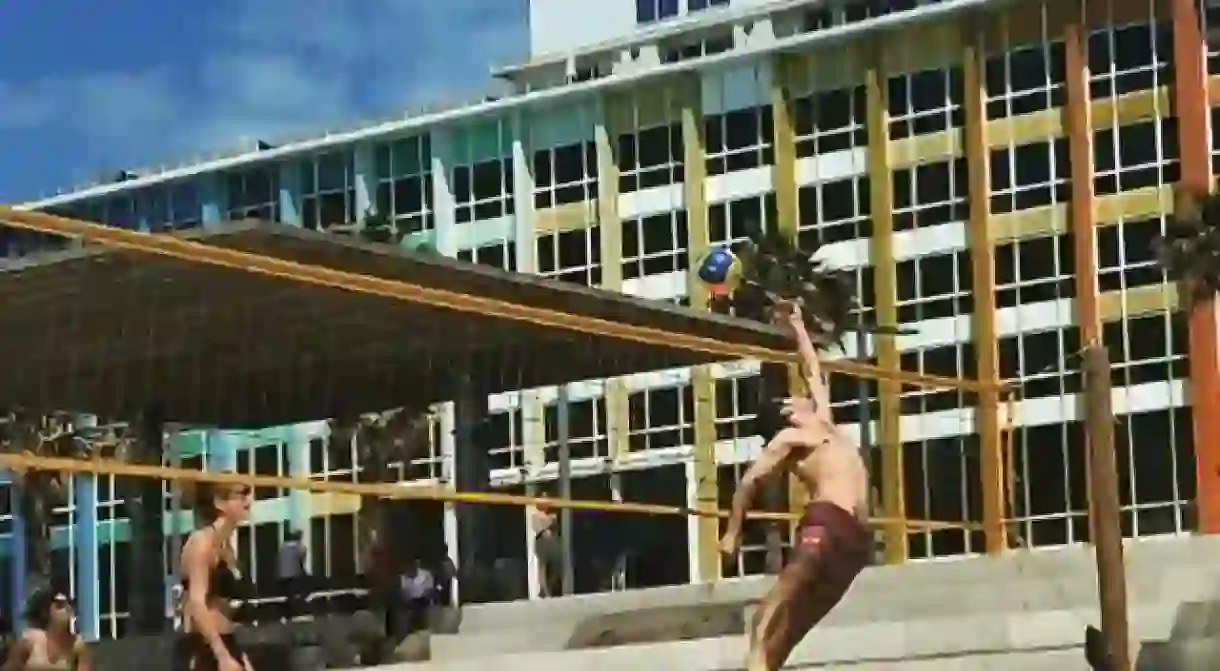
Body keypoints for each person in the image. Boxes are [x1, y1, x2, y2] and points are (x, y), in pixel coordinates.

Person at [719, 302, 871, 671]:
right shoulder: (790, 437)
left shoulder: (823, 420)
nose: (802, 393)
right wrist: (732, 533)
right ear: (787, 410)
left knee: (794, 631)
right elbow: (749, 480)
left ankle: (764, 658)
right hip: (826, 519)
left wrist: (798, 325)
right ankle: (758, 635)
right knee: (779, 605)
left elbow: (813, 369)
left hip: (855, 540)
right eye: (794, 397)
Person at [176, 479, 255, 671]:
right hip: (204, 646)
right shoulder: (201, 543)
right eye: (241, 495)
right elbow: (196, 603)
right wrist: (222, 655)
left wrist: (238, 655)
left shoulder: (225, 547)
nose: (248, 501)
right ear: (220, 503)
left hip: (225, 641)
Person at [2, 587, 92, 671]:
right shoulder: (30, 641)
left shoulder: (77, 646)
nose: (68, 608)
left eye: (69, 604)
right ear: (45, 612)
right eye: (60, 606)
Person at [276, 530, 309, 620]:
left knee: (288, 595)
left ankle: (287, 613)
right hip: (293, 575)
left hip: (281, 576)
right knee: (297, 593)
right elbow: (301, 563)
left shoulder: (283, 547)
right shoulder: (301, 548)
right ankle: (297, 610)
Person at [400, 558, 434, 633]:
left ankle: (421, 627)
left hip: (423, 599)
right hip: (411, 601)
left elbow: (429, 589)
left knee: (421, 608)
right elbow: (404, 591)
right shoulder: (404, 576)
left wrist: (425, 596)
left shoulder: (426, 574)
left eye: (415, 564)